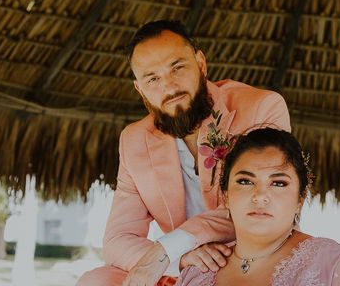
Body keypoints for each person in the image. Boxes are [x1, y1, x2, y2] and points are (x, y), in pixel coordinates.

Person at [77, 20, 291, 286]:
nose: (169, 87)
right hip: (185, 268)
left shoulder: (262, 109)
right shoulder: (134, 140)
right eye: (152, 78)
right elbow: (117, 240)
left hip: (256, 262)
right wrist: (179, 258)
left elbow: (261, 202)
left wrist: (168, 248)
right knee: (97, 281)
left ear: (200, 64)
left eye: (177, 68)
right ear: (139, 88)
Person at [176, 128, 340, 285]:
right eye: (245, 181)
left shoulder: (335, 266)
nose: (260, 196)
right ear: (226, 195)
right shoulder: (198, 273)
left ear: (300, 198)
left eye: (278, 183)